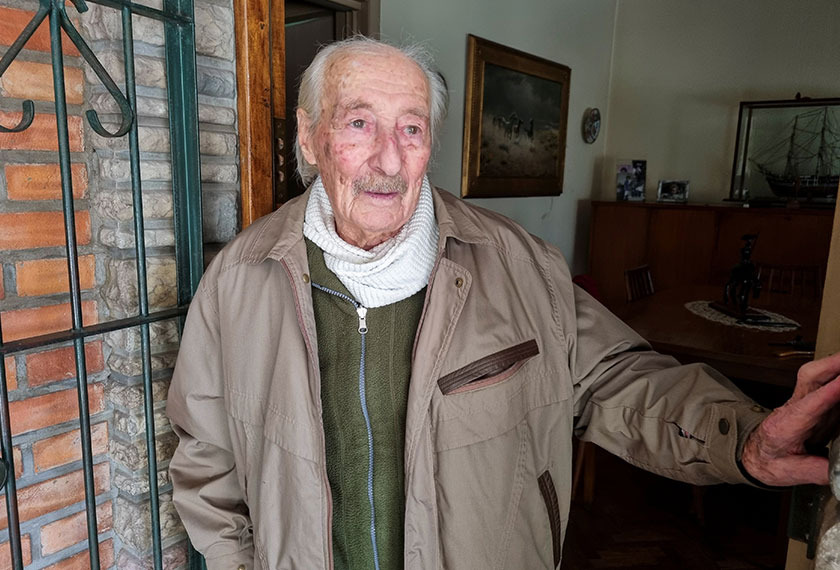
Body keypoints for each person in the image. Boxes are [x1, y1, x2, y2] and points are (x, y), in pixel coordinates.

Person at [166, 37, 840, 570]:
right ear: (311, 140)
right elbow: (206, 452)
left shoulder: (520, 266)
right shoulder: (239, 281)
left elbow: (618, 380)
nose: (389, 159)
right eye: (359, 123)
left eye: (410, 128)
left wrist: (744, 441)